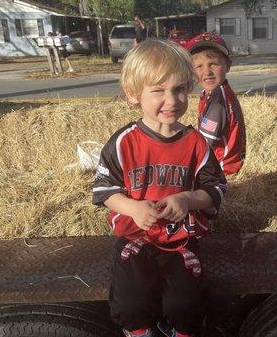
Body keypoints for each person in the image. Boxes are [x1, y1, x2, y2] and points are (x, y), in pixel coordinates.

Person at [92, 39, 227, 337]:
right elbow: (104, 190)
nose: (172, 100)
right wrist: (133, 208)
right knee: (130, 304)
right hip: (136, 238)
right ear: (133, 95)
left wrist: (188, 199)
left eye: (179, 89)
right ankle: (140, 332)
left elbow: (216, 188)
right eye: (158, 91)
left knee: (185, 305)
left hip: (181, 240)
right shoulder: (123, 142)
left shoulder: (196, 143)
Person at [185, 32, 246, 175]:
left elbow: (204, 144)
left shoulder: (217, 100)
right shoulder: (217, 92)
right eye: (198, 66)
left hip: (220, 170)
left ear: (228, 65)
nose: (207, 72)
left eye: (214, 64)